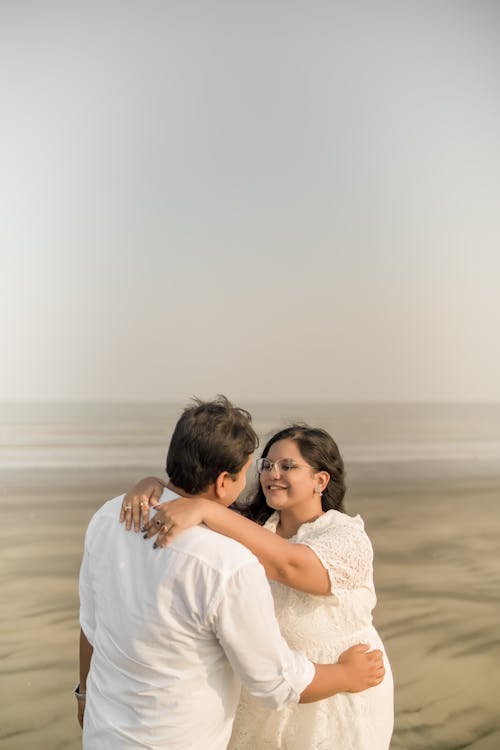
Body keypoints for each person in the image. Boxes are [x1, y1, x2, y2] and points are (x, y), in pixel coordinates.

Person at [79, 398, 385, 750]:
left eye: (288, 465)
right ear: (226, 481)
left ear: (321, 480)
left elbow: (290, 565)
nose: (272, 474)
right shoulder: (237, 542)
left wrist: (194, 502)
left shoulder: (345, 537)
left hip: (335, 693)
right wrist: (154, 486)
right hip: (263, 697)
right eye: (266, 465)